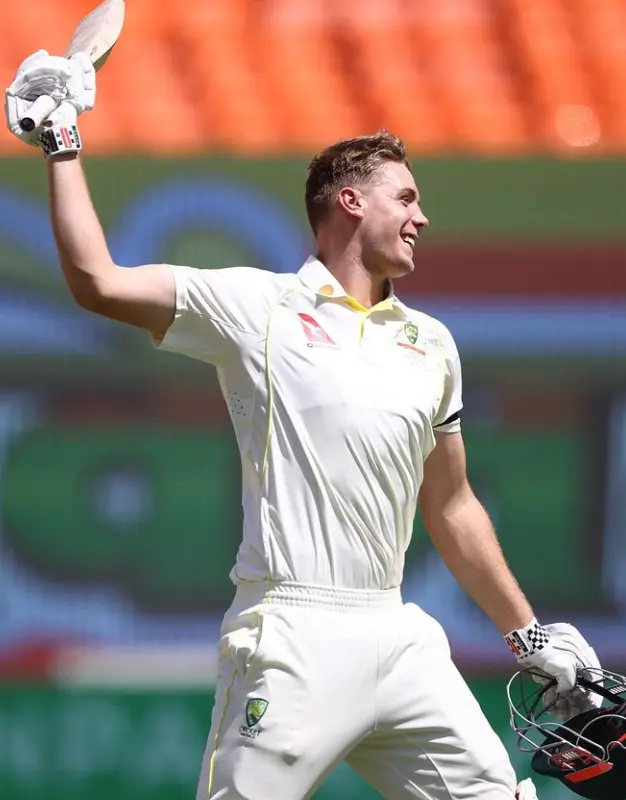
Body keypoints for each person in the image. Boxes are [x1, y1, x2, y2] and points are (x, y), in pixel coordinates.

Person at [5, 50, 603, 800]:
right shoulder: (258, 307)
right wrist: (63, 142)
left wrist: (527, 634)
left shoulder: (432, 344)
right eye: (407, 198)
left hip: (397, 632)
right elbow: (97, 282)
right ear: (351, 201)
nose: (422, 217)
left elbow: (451, 504)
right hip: (290, 634)